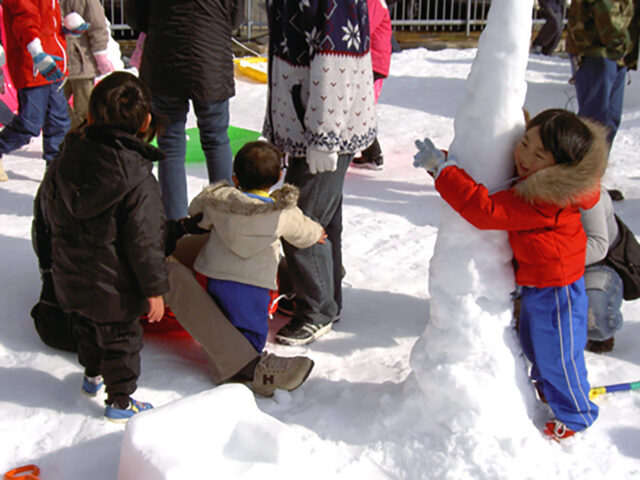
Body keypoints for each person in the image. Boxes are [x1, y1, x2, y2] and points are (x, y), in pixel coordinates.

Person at [418, 109, 608, 441]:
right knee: (537, 347)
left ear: (560, 167)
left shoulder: (544, 198)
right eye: (523, 143)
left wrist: (443, 171)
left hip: (558, 289)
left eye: (539, 155)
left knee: (559, 355)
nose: (524, 157)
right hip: (539, 284)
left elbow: (486, 210)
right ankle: (553, 389)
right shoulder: (537, 182)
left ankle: (576, 415)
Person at [35, 72, 167, 423]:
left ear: (90, 115)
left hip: (70, 278)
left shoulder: (66, 159)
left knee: (86, 328)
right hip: (116, 290)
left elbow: (46, 214)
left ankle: (92, 375)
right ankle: (120, 400)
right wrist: (154, 289)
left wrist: (50, 265)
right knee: (121, 342)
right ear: (146, 122)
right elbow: (145, 240)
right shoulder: (138, 178)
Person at [264, 0, 377, 346]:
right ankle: (326, 299)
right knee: (324, 223)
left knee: (301, 221)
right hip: (307, 125)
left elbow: (335, 64)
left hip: (325, 128)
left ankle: (317, 309)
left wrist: (325, 137)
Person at [188, 140, 325, 353]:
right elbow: (302, 232)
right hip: (254, 282)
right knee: (251, 325)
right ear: (279, 177)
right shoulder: (280, 212)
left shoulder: (220, 202)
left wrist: (217, 191)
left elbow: (195, 212)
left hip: (212, 274)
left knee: (218, 316)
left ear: (235, 179)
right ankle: (245, 359)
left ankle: (218, 345)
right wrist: (317, 233)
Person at [124, 0, 243, 220]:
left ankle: (175, 223)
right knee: (216, 138)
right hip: (211, 59)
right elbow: (236, 18)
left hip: (164, 56)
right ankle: (225, 217)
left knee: (169, 143)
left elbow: (135, 17)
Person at [0, 0, 71, 177]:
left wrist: (66, 29)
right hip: (33, 64)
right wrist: (37, 52)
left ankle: (55, 170)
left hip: (53, 63)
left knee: (59, 120)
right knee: (29, 123)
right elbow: (24, 20)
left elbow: (46, 24)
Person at [566, 0, 638, 147]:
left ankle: (597, 165)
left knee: (610, 120)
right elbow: (605, 9)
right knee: (594, 121)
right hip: (596, 50)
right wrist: (619, 45)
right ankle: (583, 165)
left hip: (616, 53)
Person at [60, 0, 115, 129]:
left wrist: (100, 54)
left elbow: (97, 27)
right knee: (57, 108)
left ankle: (81, 136)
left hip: (80, 62)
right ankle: (74, 134)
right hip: (62, 61)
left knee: (83, 110)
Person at [581, 186, 623, 353]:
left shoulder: (587, 191)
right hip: (546, 261)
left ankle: (601, 331)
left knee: (595, 306)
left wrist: (551, 264)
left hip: (597, 262)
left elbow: (597, 247)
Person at [352, 0, 392, 170]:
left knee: (360, 108)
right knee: (360, 108)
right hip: (372, 63)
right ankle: (371, 154)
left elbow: (363, 28)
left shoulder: (374, 2)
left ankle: (373, 154)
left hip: (372, 64)